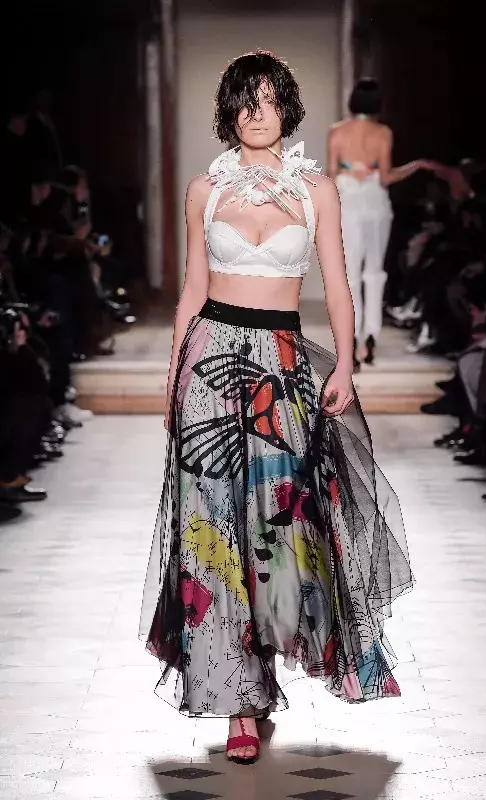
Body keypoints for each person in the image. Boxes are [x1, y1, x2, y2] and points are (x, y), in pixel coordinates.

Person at [139, 52, 413, 766]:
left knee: (280, 526)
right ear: (228, 112)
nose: (256, 112)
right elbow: (192, 289)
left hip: (283, 368)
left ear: (286, 107)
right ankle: (239, 699)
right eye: (244, 100)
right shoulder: (205, 190)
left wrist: (345, 362)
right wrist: (173, 377)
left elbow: (338, 280)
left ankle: (268, 662)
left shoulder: (317, 190)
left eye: (267, 99)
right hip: (210, 360)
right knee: (212, 529)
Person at [327, 77, 435, 367]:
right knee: (374, 271)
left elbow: (332, 174)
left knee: (350, 275)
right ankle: (371, 336)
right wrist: (415, 166)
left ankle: (351, 339)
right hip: (375, 199)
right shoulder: (383, 133)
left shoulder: (337, 132)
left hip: (347, 200)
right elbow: (386, 177)